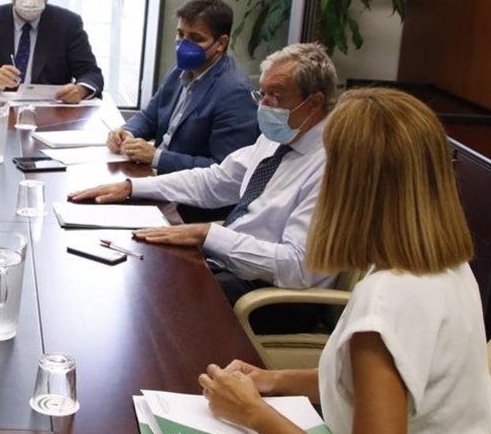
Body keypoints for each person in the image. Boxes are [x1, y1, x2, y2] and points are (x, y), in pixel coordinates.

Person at [196, 88, 491, 434]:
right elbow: (370, 388)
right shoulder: (445, 266)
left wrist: (253, 412)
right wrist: (273, 381)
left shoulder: (387, 302)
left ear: (350, 187)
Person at [70, 42, 338, 305]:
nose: (264, 106)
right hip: (231, 266)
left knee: (155, 298)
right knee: (134, 268)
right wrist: (132, 188)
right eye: (262, 94)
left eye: (276, 97)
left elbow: (299, 267)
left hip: (272, 295)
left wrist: (208, 235)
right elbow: (215, 181)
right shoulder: (278, 138)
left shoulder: (332, 167)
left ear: (314, 103)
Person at [107, 0, 257, 173]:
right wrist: (126, 132)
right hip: (157, 176)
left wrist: (157, 157)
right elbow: (150, 117)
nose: (184, 44)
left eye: (195, 38)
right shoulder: (180, 70)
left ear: (221, 43)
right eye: (180, 34)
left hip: (186, 191)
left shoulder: (235, 92)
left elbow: (224, 170)